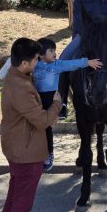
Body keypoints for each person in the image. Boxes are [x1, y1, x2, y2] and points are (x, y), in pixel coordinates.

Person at [0, 37, 62, 212]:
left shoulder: (16, 76)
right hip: (27, 155)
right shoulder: (22, 87)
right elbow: (43, 120)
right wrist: (56, 104)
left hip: (17, 150)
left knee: (12, 206)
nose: (38, 63)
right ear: (25, 62)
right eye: (36, 60)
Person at [34, 37, 101, 172]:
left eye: (55, 50)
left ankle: (49, 155)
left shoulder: (57, 65)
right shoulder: (34, 65)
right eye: (51, 51)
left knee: (47, 129)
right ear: (40, 55)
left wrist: (87, 62)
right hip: (36, 101)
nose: (55, 53)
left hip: (51, 101)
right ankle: (36, 154)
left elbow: (71, 64)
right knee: (36, 130)